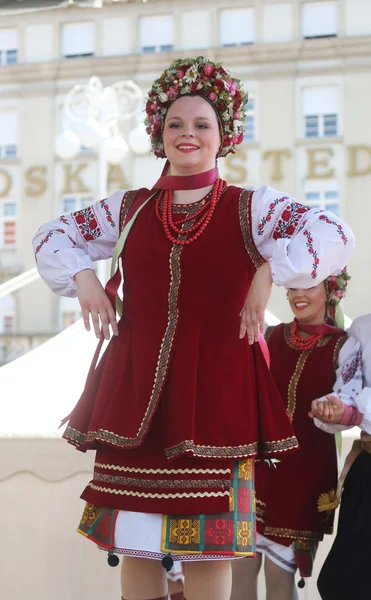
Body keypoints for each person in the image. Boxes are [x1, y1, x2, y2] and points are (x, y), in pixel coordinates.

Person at [32, 56, 354, 600]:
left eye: (201, 124)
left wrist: (269, 267)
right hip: (138, 391)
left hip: (217, 394)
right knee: (137, 541)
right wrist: (85, 276)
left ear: (222, 135)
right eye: (175, 124)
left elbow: (334, 233)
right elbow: (53, 235)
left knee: (208, 544)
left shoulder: (252, 208)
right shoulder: (129, 209)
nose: (188, 134)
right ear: (159, 135)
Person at [231, 269, 362, 600]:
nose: (297, 295)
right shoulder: (270, 336)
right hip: (257, 470)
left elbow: (350, 403)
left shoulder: (345, 346)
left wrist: (334, 411)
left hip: (305, 475)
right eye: (291, 288)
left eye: (308, 287)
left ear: (330, 290)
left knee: (279, 577)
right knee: (239, 575)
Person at [310, 314, 371, 600]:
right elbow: (348, 393)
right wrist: (334, 409)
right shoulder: (363, 328)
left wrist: (356, 410)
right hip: (368, 470)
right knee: (344, 580)